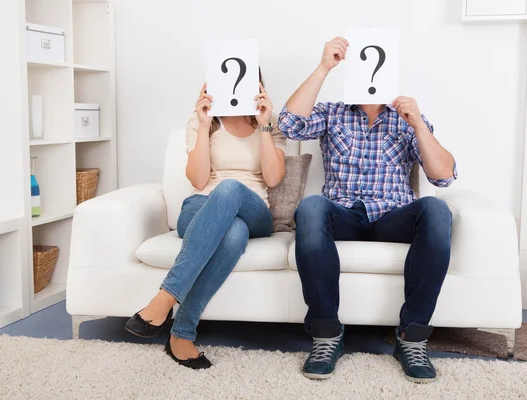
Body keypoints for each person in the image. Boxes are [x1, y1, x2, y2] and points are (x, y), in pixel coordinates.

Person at [278, 37, 457, 383]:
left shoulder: (406, 119)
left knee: (437, 210)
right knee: (312, 206)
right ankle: (327, 334)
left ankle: (412, 337)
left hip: (392, 217)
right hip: (344, 214)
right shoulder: (332, 112)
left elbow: (444, 176)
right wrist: (324, 67)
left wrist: (418, 124)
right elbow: (288, 124)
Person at [125, 73, 287, 369]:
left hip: (255, 212)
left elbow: (274, 178)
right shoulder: (202, 121)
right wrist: (202, 126)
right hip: (201, 207)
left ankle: (163, 299)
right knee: (233, 232)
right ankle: (181, 335)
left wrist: (264, 123)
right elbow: (199, 180)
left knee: (229, 189)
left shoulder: (270, 120)